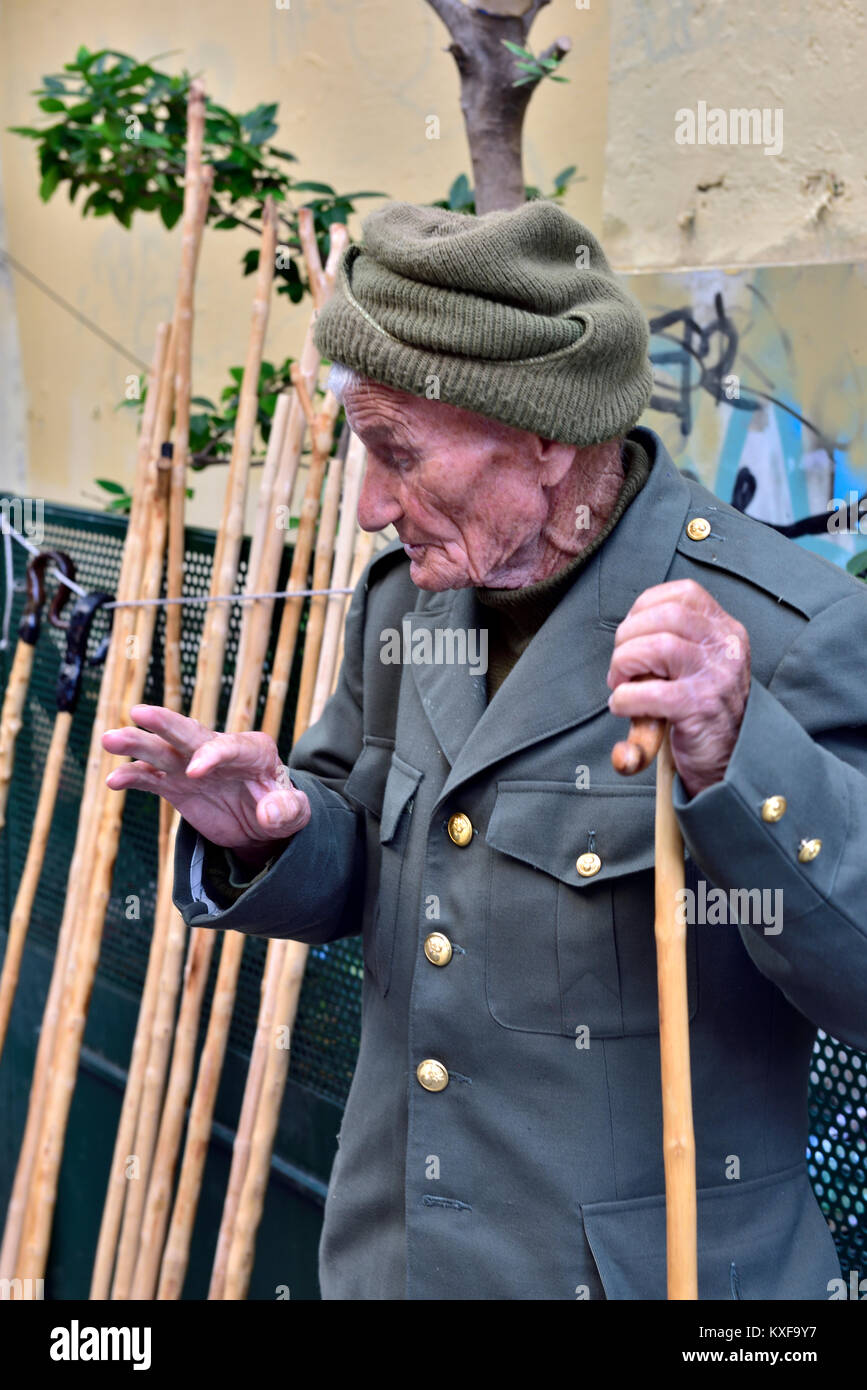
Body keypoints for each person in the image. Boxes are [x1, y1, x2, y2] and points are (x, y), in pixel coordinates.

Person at [104, 200, 867, 1300]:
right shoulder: (407, 609)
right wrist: (275, 833)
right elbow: (367, 846)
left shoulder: (784, 632)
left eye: (395, 453)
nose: (368, 508)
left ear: (543, 439)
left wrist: (737, 749)